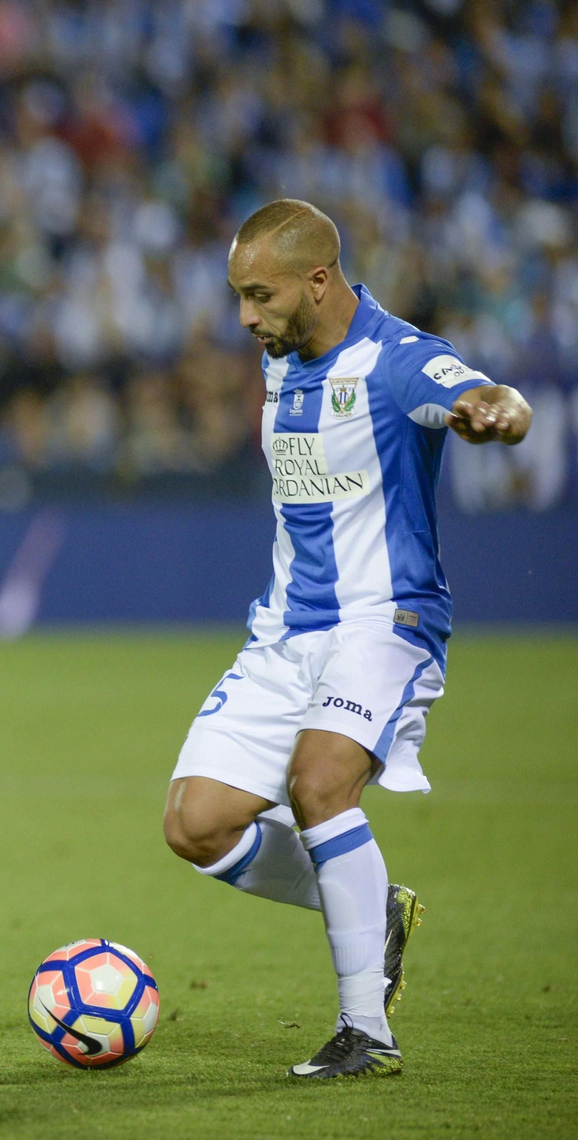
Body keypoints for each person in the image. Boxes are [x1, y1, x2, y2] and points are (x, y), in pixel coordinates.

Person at [161, 199, 531, 1080]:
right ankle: (375, 904)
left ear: (317, 281)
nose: (246, 317)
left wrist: (494, 413)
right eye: (238, 297)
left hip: (385, 623)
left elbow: (488, 395)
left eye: (259, 296)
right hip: (284, 632)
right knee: (196, 824)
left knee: (321, 781)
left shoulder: (397, 362)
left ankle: (367, 1030)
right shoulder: (281, 358)